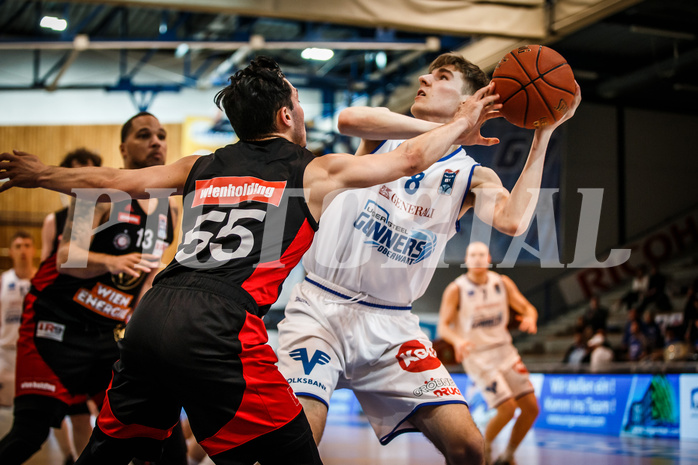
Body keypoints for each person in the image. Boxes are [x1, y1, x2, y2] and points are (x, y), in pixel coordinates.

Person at [0, 55, 501, 465]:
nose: (302, 112)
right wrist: (461, 124)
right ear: (286, 116)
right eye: (298, 104)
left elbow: (112, 181)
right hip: (220, 323)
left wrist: (42, 173)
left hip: (151, 318)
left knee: (111, 457)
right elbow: (411, 159)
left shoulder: (201, 164)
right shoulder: (314, 170)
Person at [275, 51, 580, 465]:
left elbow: (514, 221)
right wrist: (458, 128)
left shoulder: (473, 175)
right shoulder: (387, 134)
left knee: (469, 447)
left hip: (392, 324)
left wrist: (545, 133)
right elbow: (349, 119)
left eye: (441, 77)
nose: (424, 78)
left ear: (466, 99)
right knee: (298, 440)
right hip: (320, 308)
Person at [0, 114, 184, 465]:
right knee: (30, 432)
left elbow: (145, 276)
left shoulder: (168, 206)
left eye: (161, 135)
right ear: (122, 148)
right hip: (54, 328)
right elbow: (66, 257)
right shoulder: (98, 190)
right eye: (144, 135)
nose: (157, 141)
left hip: (107, 334)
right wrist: (111, 261)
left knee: (158, 422)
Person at [437, 242, 539, 465]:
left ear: (489, 258)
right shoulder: (456, 289)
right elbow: (443, 327)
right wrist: (457, 340)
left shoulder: (502, 283)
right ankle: (486, 447)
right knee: (507, 408)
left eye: (481, 254)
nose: (477, 258)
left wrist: (531, 318)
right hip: (478, 355)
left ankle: (508, 455)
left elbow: (528, 308)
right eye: (472, 254)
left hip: (505, 351)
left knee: (531, 408)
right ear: (466, 259)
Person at [40, 148, 103, 465]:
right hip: (69, 324)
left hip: (103, 322)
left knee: (114, 411)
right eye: (77, 174)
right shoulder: (57, 220)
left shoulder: (114, 211)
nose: (85, 181)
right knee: (76, 412)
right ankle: (72, 457)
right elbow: (47, 270)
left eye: (91, 172)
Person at [0, 231, 37, 407]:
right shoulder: (3, 281)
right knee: (6, 408)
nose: (23, 250)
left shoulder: (41, 281)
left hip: (35, 353)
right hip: (6, 354)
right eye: (18, 246)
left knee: (35, 408)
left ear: (33, 250)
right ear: (10, 251)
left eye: (27, 246)